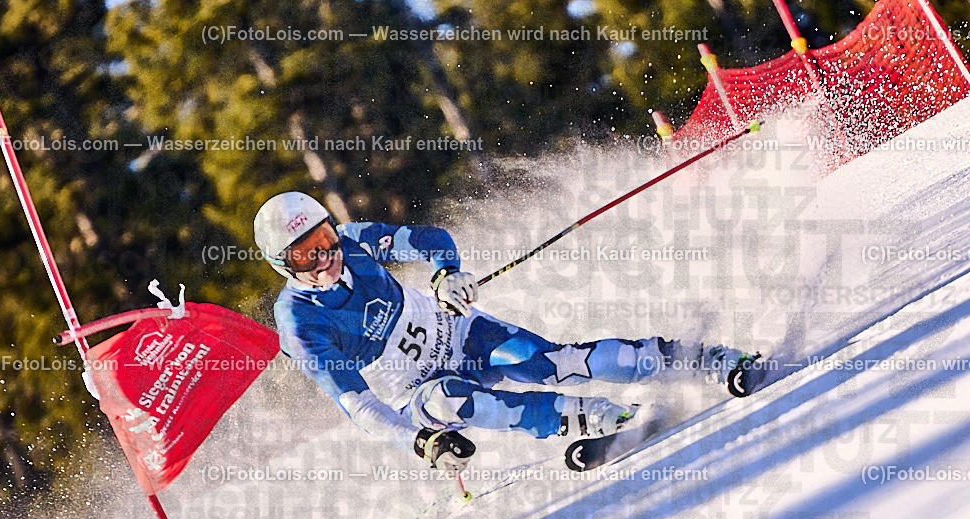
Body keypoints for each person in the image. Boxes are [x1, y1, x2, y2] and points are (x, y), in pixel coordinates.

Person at [255, 192, 755, 473]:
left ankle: (704, 359)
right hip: (418, 391)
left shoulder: (357, 241)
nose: (326, 256)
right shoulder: (300, 323)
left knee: (552, 364)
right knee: (460, 402)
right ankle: (605, 419)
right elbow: (359, 406)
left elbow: (428, 240)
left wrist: (446, 272)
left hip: (457, 334)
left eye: (324, 238)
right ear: (284, 265)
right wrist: (421, 443)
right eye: (306, 253)